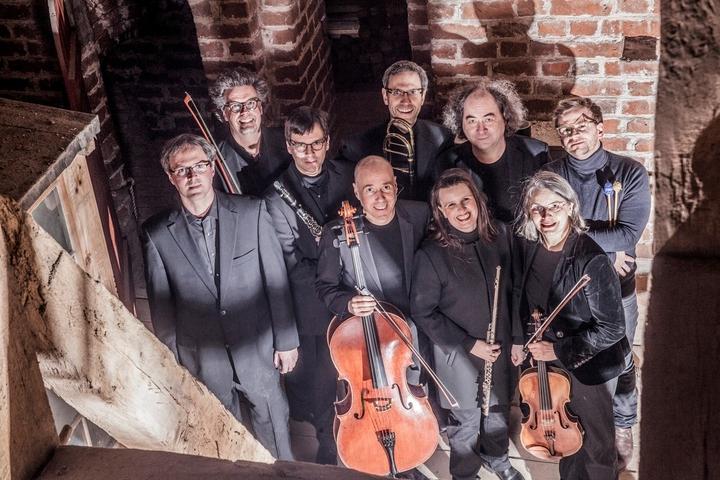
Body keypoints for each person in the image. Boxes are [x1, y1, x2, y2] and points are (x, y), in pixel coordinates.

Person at [142, 134, 299, 460]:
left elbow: (276, 281)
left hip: (258, 350)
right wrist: (174, 364)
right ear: (171, 177)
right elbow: (162, 308)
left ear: (212, 168)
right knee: (224, 442)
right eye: (182, 170)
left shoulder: (253, 212)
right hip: (202, 360)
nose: (192, 175)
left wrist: (286, 341)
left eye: (199, 166)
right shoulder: (156, 234)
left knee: (275, 432)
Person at [545, 96, 651, 469]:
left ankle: (623, 421)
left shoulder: (629, 172)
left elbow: (628, 234)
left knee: (620, 360)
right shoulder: (551, 174)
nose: (573, 135)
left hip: (615, 289)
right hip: (568, 292)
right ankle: (585, 424)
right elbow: (543, 229)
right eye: (565, 130)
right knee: (577, 360)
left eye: (581, 126)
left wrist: (572, 230)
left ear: (600, 128)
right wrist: (603, 245)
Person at [410, 169, 525, 480]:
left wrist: (517, 338)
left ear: (478, 200)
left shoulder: (502, 235)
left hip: (501, 348)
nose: (461, 210)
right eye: (450, 205)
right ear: (441, 211)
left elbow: (516, 292)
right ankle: (464, 473)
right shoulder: (432, 255)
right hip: (459, 356)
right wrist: (469, 344)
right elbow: (423, 311)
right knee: (466, 422)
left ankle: (497, 459)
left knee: (499, 411)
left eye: (465, 200)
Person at [514, 171, 630, 479]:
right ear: (528, 212)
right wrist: (520, 341)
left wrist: (557, 351)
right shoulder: (529, 247)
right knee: (568, 441)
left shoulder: (591, 260)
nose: (546, 216)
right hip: (548, 361)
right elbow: (522, 300)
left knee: (597, 446)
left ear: (570, 206)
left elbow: (613, 328)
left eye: (555, 206)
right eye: (538, 208)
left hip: (589, 365)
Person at [266, 106, 354, 464]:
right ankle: (328, 445)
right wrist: (334, 270)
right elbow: (290, 263)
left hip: (356, 293)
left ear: (327, 142)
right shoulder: (276, 197)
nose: (310, 153)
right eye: (300, 145)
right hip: (314, 306)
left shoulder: (349, 175)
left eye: (317, 143)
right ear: (288, 145)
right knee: (322, 382)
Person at [316, 155, 429, 386]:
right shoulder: (336, 232)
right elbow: (325, 287)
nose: (380, 197)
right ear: (356, 192)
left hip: (425, 338)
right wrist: (349, 303)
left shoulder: (420, 215)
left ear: (395, 185)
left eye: (386, 187)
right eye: (370, 190)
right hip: (375, 344)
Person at [437, 79, 550, 223]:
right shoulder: (447, 162)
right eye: (472, 121)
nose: (481, 129)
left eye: (488, 119)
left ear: (505, 118)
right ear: (461, 124)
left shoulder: (537, 154)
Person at [339, 60, 453, 201]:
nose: (406, 101)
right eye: (397, 92)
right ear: (385, 96)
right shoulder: (356, 147)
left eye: (413, 92)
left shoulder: (442, 138)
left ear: (423, 96)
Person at [209, 67, 292, 196]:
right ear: (224, 114)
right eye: (235, 106)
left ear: (260, 107)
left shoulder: (288, 141)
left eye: (251, 103)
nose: (245, 112)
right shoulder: (215, 163)